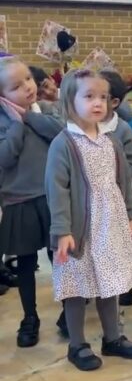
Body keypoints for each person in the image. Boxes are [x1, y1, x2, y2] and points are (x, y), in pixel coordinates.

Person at [45, 69, 132, 371]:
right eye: (89, 96)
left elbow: (123, 183)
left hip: (111, 223)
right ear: (69, 101)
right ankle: (77, 345)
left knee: (111, 282)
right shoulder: (64, 144)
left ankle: (112, 337)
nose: (98, 103)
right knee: (78, 287)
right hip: (80, 229)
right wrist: (62, 230)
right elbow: (57, 190)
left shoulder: (110, 141)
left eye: (103, 97)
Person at [0, 55, 63, 347]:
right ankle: (30, 317)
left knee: (60, 257)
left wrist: (29, 116)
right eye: (15, 86)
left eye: (27, 79)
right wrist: (15, 124)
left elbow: (61, 135)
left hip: (52, 198)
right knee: (25, 263)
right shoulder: (3, 121)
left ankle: (68, 308)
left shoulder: (46, 110)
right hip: (18, 201)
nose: (26, 87)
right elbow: (5, 157)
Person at [99, 70, 132, 307]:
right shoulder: (83, 128)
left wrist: (114, 174)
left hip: (119, 198)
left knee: (123, 245)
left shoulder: (122, 129)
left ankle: (127, 285)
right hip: (95, 202)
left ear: (114, 102)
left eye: (100, 96)